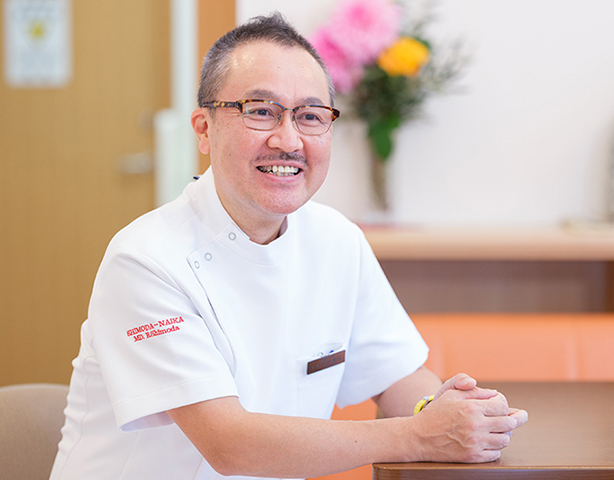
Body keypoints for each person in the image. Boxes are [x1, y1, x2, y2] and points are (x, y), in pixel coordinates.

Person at [50, 12, 527, 480]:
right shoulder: (145, 259)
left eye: (310, 116)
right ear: (204, 129)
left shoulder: (337, 240)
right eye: (261, 111)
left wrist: (440, 409)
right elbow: (229, 444)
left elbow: (397, 374)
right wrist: (421, 435)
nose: (289, 140)